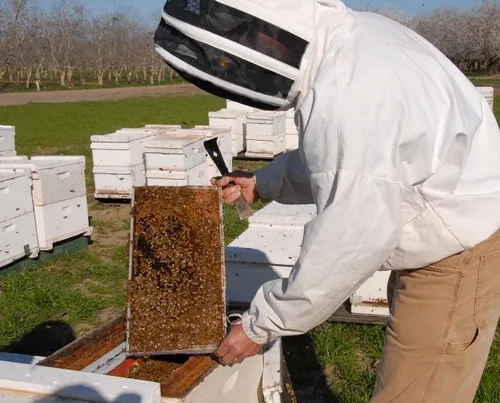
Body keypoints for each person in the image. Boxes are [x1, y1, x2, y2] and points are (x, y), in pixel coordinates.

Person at [154, 1, 500, 401]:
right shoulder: (355, 36)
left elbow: (351, 236)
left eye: (241, 35)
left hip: (455, 252)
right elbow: (347, 160)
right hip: (452, 225)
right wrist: (263, 182)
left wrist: (259, 325)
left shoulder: (346, 91)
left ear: (268, 25)